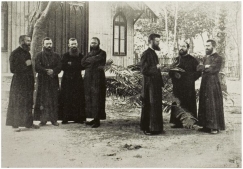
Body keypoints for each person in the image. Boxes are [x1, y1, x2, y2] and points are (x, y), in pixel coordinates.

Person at [6, 35, 39, 132]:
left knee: (28, 102)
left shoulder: (27, 53)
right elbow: (12, 69)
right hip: (18, 83)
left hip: (27, 82)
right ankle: (15, 125)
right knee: (18, 103)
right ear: (21, 42)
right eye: (27, 41)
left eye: (30, 41)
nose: (29, 42)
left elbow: (29, 69)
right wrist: (25, 65)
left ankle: (28, 123)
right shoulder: (14, 53)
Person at [169, 41, 201, 128]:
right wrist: (174, 74)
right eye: (180, 46)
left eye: (183, 46)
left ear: (187, 48)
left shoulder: (193, 60)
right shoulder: (176, 59)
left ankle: (190, 122)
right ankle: (177, 122)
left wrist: (190, 78)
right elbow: (170, 71)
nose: (181, 48)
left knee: (189, 103)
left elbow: (198, 72)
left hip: (188, 87)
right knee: (177, 102)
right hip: (178, 86)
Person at [197, 39, 225, 134]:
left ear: (213, 46)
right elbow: (199, 68)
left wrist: (205, 67)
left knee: (212, 104)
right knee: (204, 102)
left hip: (213, 83)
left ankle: (214, 127)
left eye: (208, 46)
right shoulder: (205, 57)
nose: (206, 47)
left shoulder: (218, 58)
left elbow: (213, 70)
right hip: (205, 82)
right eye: (205, 45)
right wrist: (206, 66)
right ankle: (205, 125)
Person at [34, 37, 62, 126]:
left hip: (53, 80)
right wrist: (46, 71)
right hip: (43, 81)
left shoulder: (57, 55)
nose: (49, 45)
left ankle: (54, 120)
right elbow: (37, 67)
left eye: (50, 44)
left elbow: (59, 66)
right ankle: (43, 120)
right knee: (43, 99)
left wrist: (53, 71)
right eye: (47, 44)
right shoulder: (39, 55)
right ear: (43, 45)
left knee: (53, 99)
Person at [140, 33, 164, 135]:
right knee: (149, 104)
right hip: (149, 84)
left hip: (155, 84)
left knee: (156, 105)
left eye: (159, 41)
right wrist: (156, 68)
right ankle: (148, 128)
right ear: (151, 41)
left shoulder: (153, 53)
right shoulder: (146, 53)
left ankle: (156, 128)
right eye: (157, 41)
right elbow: (144, 70)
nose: (158, 43)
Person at [58, 38, 86, 124]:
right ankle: (65, 118)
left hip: (77, 79)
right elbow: (62, 66)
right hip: (67, 79)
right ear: (69, 45)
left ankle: (78, 118)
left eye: (75, 44)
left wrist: (71, 65)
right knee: (66, 98)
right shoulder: (65, 56)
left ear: (77, 45)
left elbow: (83, 66)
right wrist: (74, 66)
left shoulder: (81, 56)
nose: (73, 46)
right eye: (72, 44)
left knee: (78, 98)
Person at [81, 37, 106, 128]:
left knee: (97, 98)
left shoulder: (102, 53)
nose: (93, 45)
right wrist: (93, 59)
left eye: (95, 43)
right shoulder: (89, 53)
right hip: (88, 78)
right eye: (91, 43)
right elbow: (82, 63)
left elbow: (98, 61)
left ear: (98, 43)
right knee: (90, 98)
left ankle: (97, 120)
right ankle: (93, 118)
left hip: (98, 79)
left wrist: (90, 60)